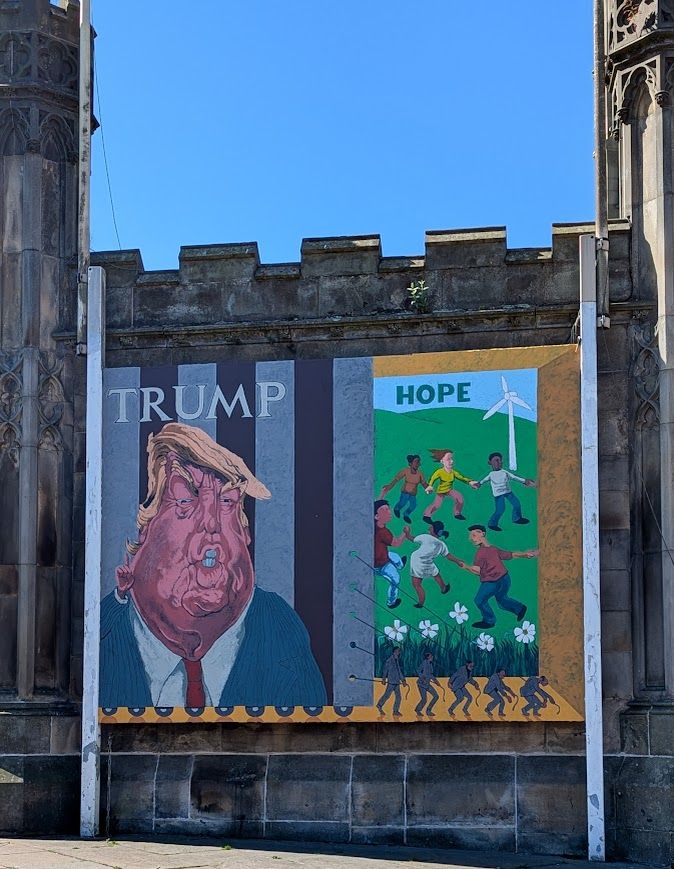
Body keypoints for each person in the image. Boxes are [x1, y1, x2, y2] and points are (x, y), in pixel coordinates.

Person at [100, 422, 327, 710]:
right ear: (147, 525)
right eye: (184, 501)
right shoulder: (101, 635)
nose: (211, 523)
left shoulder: (282, 633)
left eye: (227, 502)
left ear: (245, 532)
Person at [463, 524, 538, 629]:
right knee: (501, 599)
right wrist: (524, 554)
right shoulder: (493, 549)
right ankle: (519, 608)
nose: (471, 538)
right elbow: (510, 554)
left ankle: (489, 621)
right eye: (471, 536)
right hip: (505, 579)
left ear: (482, 534)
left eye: (474, 535)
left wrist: (465, 566)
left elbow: (477, 571)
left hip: (492, 582)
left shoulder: (480, 553)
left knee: (479, 600)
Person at [471, 451, 536, 531]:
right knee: (500, 509)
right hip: (498, 495)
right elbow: (483, 481)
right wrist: (479, 484)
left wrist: (524, 481)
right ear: (490, 462)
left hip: (508, 492)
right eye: (496, 460)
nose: (499, 462)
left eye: (500, 460)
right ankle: (492, 524)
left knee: (517, 504)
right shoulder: (491, 474)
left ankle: (517, 518)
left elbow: (514, 477)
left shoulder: (504, 472)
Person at [409, 520, 463, 607]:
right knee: (436, 574)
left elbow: (412, 538)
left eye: (431, 526)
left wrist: (407, 533)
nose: (429, 527)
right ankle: (443, 587)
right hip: (428, 562)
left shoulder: (425, 537)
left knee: (417, 584)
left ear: (433, 529)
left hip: (417, 562)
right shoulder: (441, 544)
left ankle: (421, 602)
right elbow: (448, 556)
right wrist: (458, 561)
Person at [373, 500, 410, 608]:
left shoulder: (374, 527)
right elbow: (397, 543)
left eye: (388, 509)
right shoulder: (383, 532)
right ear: (376, 516)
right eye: (385, 511)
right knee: (396, 580)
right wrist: (405, 533)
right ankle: (391, 602)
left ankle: (399, 564)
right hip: (380, 565)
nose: (389, 512)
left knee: (395, 556)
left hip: (382, 555)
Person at [423, 449, 476, 523]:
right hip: (441, 491)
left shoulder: (453, 472)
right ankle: (426, 515)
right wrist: (430, 486)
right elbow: (433, 478)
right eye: (448, 459)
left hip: (449, 490)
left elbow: (461, 478)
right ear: (442, 461)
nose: (451, 461)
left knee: (460, 498)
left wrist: (470, 482)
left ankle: (457, 513)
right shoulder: (439, 472)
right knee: (437, 504)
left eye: (451, 459)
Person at [379, 454, 428, 522]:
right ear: (410, 463)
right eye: (416, 462)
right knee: (402, 503)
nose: (418, 464)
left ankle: (406, 515)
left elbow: (424, 483)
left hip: (413, 494)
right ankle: (396, 509)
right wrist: (389, 486)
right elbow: (396, 479)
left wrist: (428, 488)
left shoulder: (420, 474)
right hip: (405, 492)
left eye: (418, 462)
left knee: (413, 506)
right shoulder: (405, 471)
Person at [377, 646, 406, 716]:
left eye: (399, 651)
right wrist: (383, 679)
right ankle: (379, 705)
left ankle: (395, 711)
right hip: (391, 682)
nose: (399, 652)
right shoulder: (389, 660)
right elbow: (385, 670)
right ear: (394, 652)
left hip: (396, 682)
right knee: (387, 695)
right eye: (398, 651)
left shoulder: (397, 660)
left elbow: (399, 671)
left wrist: (403, 680)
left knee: (398, 697)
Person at [415, 651, 441, 717]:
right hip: (421, 684)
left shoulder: (430, 664)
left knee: (436, 696)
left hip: (427, 684)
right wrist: (422, 677)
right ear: (427, 657)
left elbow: (431, 675)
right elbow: (418, 670)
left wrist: (436, 681)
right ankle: (418, 710)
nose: (432, 657)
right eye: (431, 656)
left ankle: (428, 710)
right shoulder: (424, 663)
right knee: (424, 699)